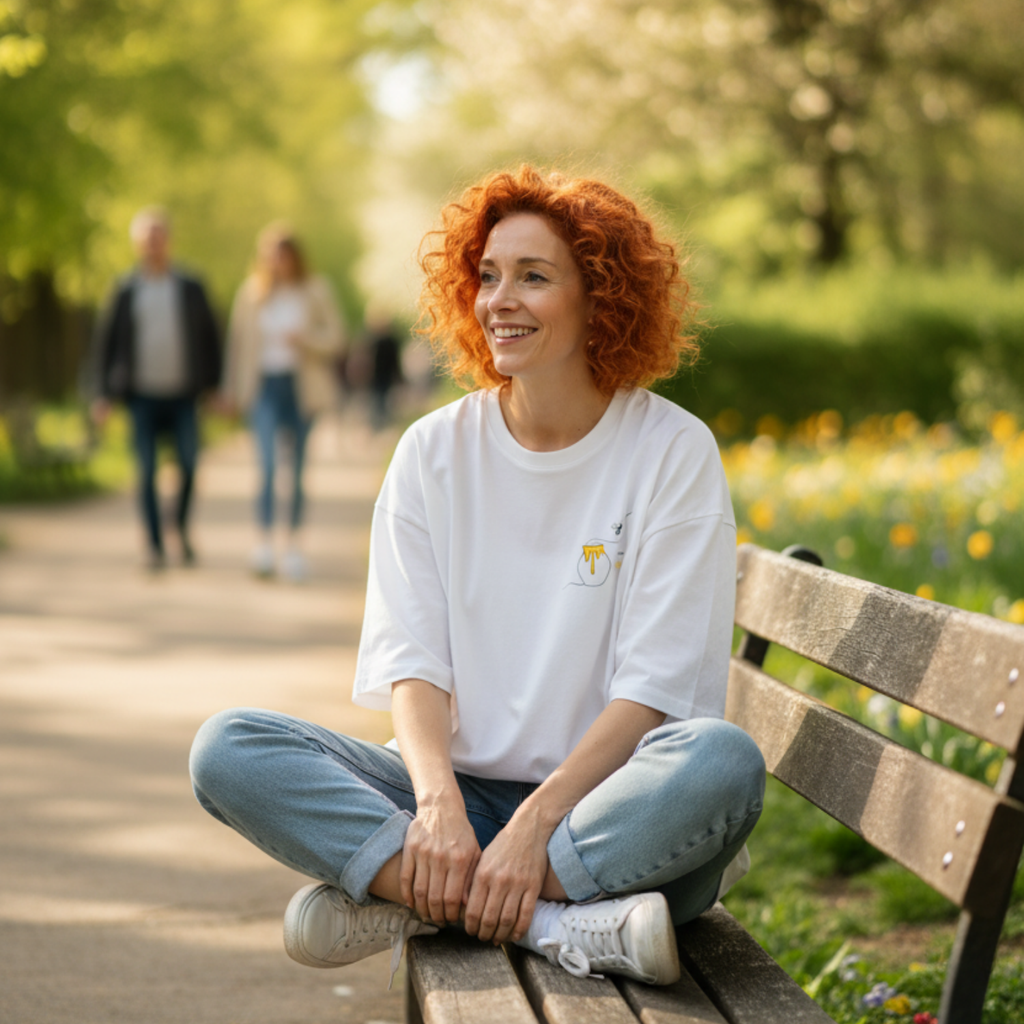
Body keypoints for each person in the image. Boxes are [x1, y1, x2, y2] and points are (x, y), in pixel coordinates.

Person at [189, 167, 765, 987]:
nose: (501, 298)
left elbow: (656, 692)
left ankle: (413, 897)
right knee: (229, 749)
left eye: (534, 277)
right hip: (455, 800)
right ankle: (554, 927)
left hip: (606, 812)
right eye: (489, 276)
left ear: (601, 298)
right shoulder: (433, 452)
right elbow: (413, 662)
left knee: (721, 763)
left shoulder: (670, 453)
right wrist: (435, 809)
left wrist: (537, 824)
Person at [95, 207, 221, 570]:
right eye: (146, 237)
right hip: (141, 397)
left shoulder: (191, 286)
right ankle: (153, 545)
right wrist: (103, 395)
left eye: (158, 236)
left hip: (184, 395)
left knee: (189, 462)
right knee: (146, 469)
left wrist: (214, 387)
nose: (153, 243)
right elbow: (107, 343)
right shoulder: (125, 288)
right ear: (137, 243)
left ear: (168, 240)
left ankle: (178, 529)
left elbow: (211, 338)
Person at [221, 224, 344, 582]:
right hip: (263, 389)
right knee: (269, 467)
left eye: (284, 254)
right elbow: (237, 345)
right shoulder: (251, 294)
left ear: (295, 257)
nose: (278, 262)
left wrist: (304, 340)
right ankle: (263, 545)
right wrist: (230, 391)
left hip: (301, 389)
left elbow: (336, 338)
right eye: (272, 255)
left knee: (298, 472)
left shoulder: (316, 291)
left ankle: (293, 548)